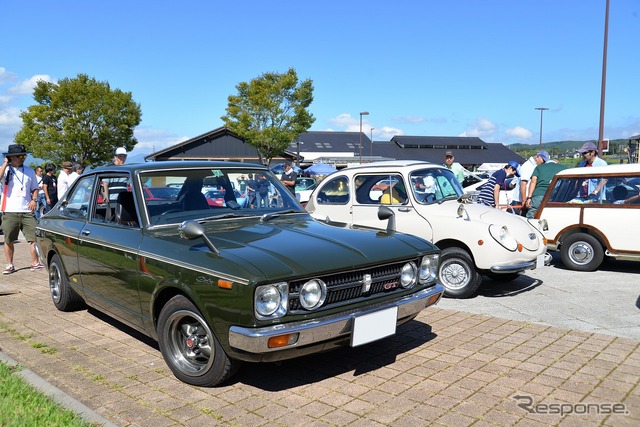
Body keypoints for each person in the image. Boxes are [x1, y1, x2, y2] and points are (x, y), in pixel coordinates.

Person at [0, 144, 42, 274]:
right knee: (8, 239)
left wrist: (34, 199)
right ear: (11, 157)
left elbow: (35, 188)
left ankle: (35, 263)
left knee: (34, 237)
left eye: (24, 155)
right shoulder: (5, 170)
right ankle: (10, 264)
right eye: (19, 156)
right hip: (10, 209)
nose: (22, 158)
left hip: (27, 210)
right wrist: (5, 163)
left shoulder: (29, 171)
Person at [513, 151, 548, 216]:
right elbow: (523, 183)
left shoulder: (534, 166)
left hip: (526, 200)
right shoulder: (528, 166)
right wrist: (524, 200)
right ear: (537, 157)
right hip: (521, 200)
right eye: (543, 160)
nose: (544, 162)